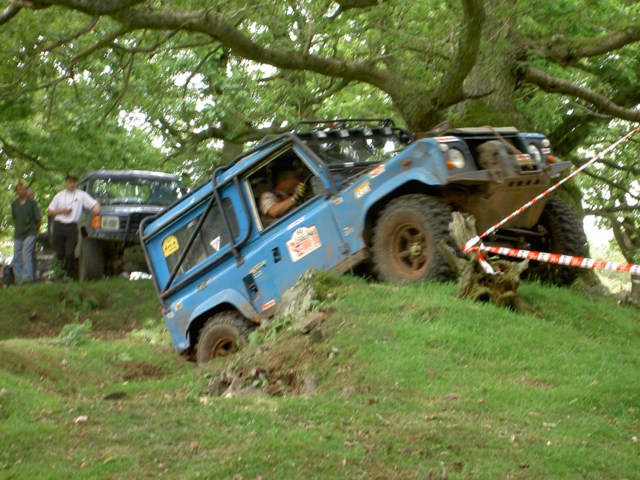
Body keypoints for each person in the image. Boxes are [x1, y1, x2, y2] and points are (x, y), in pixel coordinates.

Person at [48, 174, 100, 279]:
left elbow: (94, 204)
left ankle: (69, 276)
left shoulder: (81, 195)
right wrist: (61, 211)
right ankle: (58, 275)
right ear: (66, 183)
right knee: (59, 253)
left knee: (69, 253)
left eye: (74, 182)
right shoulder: (59, 195)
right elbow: (50, 212)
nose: (72, 184)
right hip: (59, 225)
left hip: (72, 227)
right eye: (70, 182)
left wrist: (96, 208)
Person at [10, 180, 42, 284]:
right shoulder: (14, 204)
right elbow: (15, 218)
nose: (21, 191)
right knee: (17, 256)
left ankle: (28, 279)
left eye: (23, 189)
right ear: (16, 191)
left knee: (26, 253)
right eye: (18, 189)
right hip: (18, 234)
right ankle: (19, 280)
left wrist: (35, 230)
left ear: (26, 190)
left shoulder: (32, 203)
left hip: (30, 233)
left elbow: (38, 219)